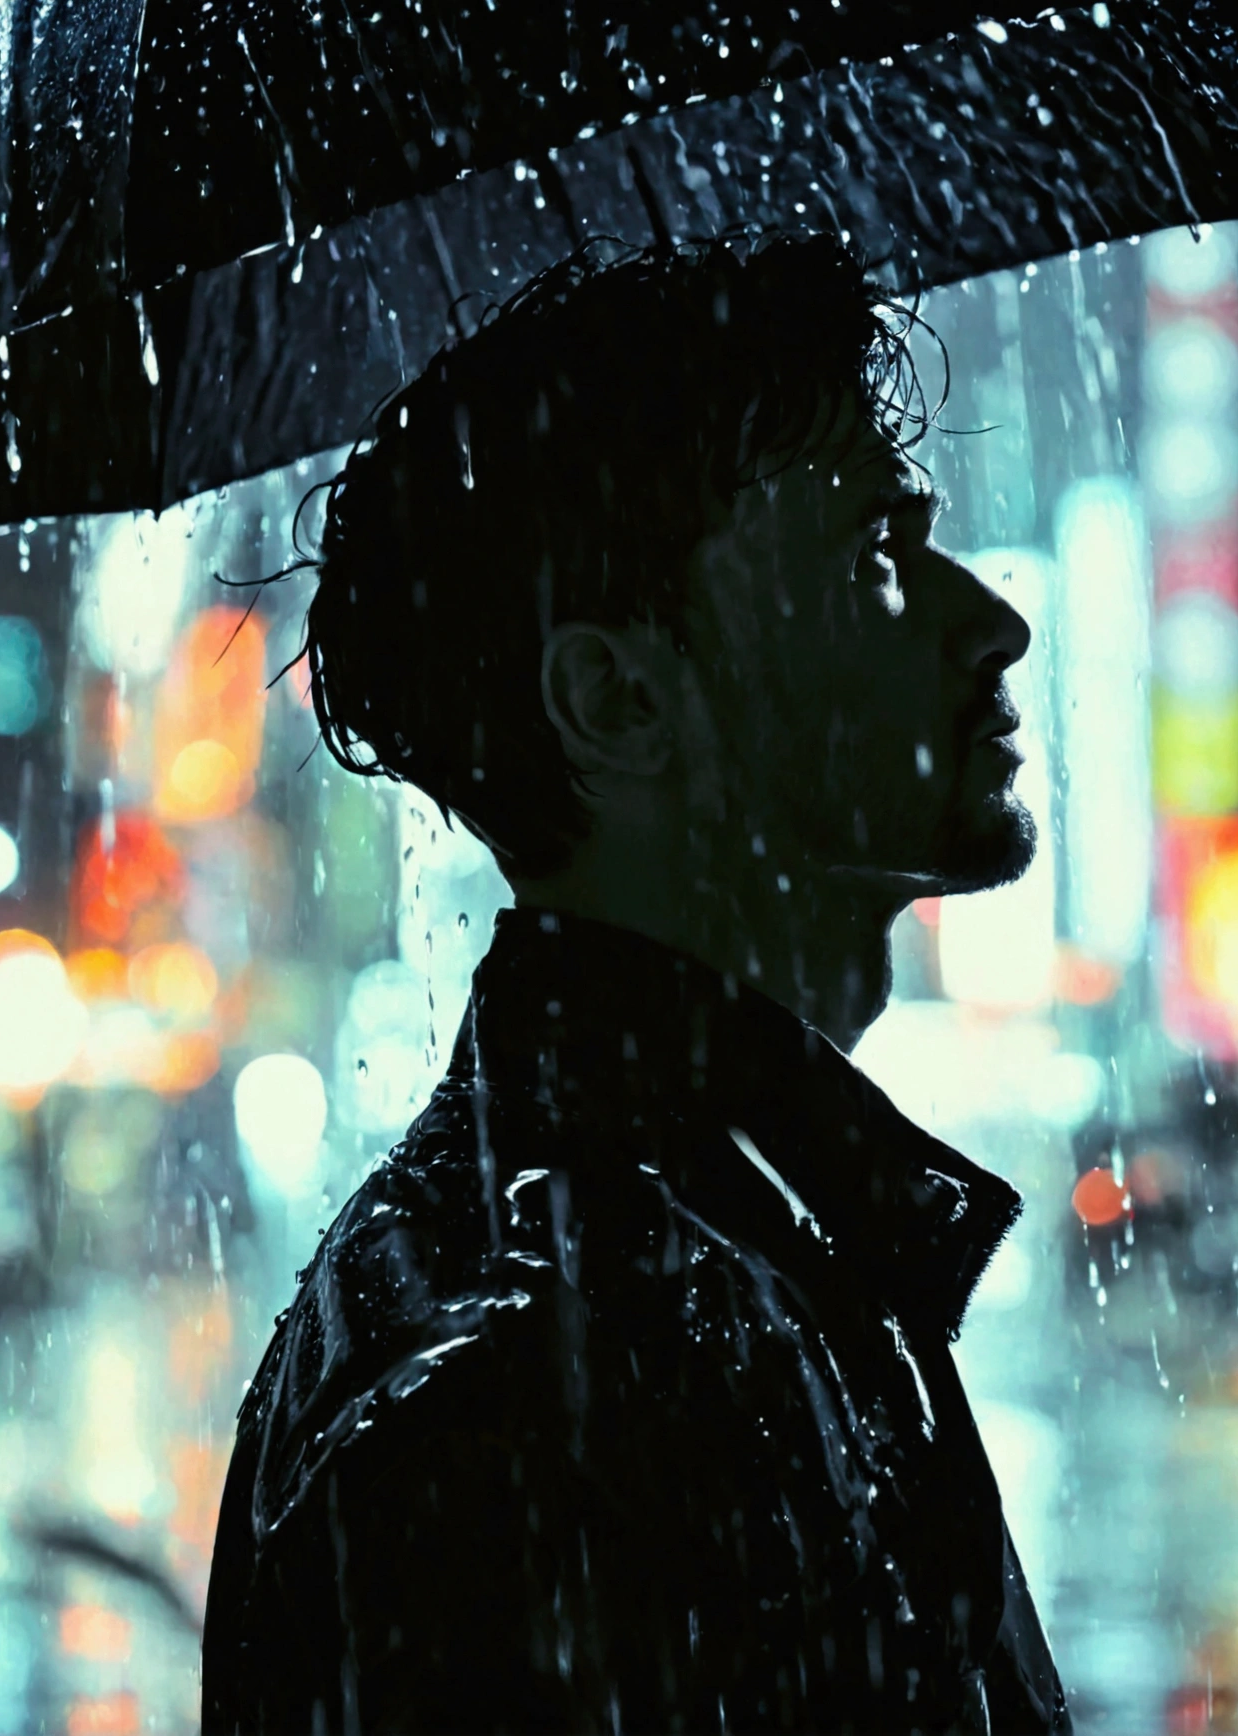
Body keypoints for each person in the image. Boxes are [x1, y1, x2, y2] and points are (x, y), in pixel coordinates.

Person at [202, 234, 1069, 1735]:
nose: (993, 621)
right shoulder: (539, 1397)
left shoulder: (699, 1262)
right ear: (617, 700)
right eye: (870, 553)